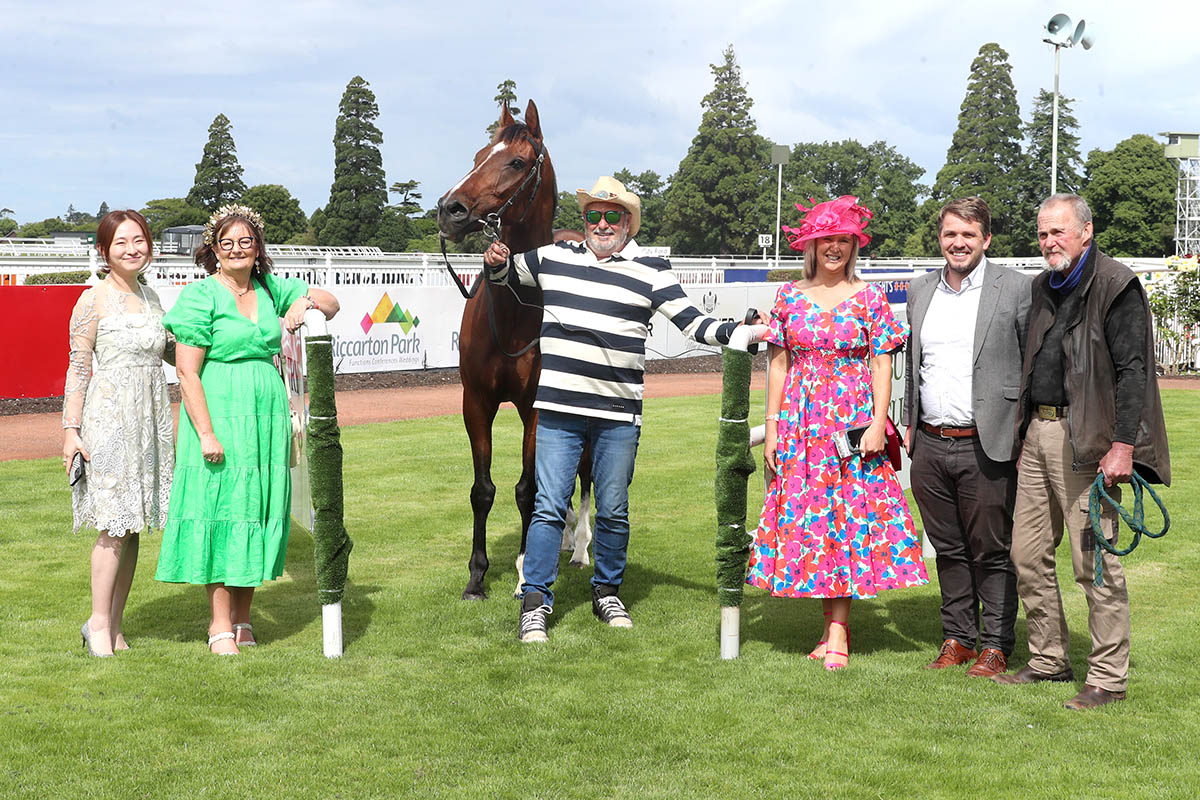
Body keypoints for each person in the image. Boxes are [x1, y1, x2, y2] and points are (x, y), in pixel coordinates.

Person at [482, 176, 741, 643]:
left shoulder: (652, 269)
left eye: (613, 215)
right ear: (583, 222)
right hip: (558, 412)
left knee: (615, 510)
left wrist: (740, 331)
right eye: (594, 216)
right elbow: (503, 274)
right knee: (547, 507)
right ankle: (535, 602)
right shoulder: (553, 257)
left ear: (628, 222)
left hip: (619, 415)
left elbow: (693, 324)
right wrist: (493, 261)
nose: (602, 224)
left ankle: (607, 592)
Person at [994, 194, 1170, 709]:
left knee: (1094, 563)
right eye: (1043, 232)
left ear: (1086, 232)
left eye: (1059, 232)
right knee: (1026, 556)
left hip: (1090, 440)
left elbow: (1135, 371)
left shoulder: (1116, 284)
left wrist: (1122, 446)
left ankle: (1108, 679)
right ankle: (1048, 659)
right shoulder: (1042, 286)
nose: (1050, 241)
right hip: (1038, 435)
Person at [746, 196, 927, 670]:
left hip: (851, 419)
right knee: (816, 522)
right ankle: (830, 628)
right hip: (801, 423)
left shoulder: (869, 297)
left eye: (844, 240)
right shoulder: (788, 296)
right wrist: (772, 426)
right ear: (812, 244)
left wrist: (876, 422)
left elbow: (882, 361)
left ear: (853, 247)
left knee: (849, 519)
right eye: (828, 239)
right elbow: (780, 364)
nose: (835, 248)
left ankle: (839, 632)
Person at [155, 204, 340, 655]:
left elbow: (331, 304)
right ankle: (219, 624)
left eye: (246, 241)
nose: (237, 249)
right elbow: (187, 373)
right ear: (214, 251)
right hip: (219, 408)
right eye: (227, 243)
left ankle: (243, 619)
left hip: (267, 412)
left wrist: (305, 302)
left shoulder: (271, 287)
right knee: (221, 512)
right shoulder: (200, 297)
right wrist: (206, 434)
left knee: (254, 511)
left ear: (258, 249)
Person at [901, 197, 1031, 678]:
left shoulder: (1017, 289)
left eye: (969, 235)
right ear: (940, 237)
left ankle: (996, 644)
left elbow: (1032, 364)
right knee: (948, 548)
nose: (958, 243)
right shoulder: (920, 291)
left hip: (989, 442)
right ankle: (956, 637)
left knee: (992, 550)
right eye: (950, 233)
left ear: (987, 240)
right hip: (931, 444)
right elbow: (914, 365)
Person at [63, 209, 175, 657]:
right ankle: (99, 624)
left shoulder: (152, 298)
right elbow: (77, 367)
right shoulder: (92, 300)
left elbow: (173, 351)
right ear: (104, 251)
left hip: (150, 421)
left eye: (139, 240)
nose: (132, 249)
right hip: (108, 421)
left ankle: (114, 624)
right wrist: (70, 431)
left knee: (132, 527)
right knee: (112, 524)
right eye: (121, 243)